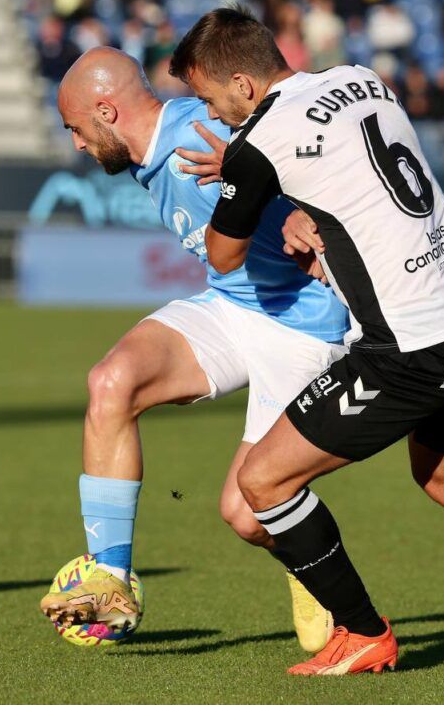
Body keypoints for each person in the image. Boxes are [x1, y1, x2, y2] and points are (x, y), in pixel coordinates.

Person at [169, 6, 444, 676]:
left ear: (242, 83)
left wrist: (240, 176)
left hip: (411, 352)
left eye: (210, 98)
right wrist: (281, 190)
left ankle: (362, 631)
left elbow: (223, 254)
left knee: (261, 484)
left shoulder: (259, 142)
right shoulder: (362, 76)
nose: (215, 113)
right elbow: (346, 171)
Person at [37, 48, 350, 653]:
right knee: (111, 382)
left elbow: (296, 146)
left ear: (105, 110)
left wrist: (294, 209)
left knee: (246, 513)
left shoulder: (196, 132)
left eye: (75, 128)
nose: (76, 144)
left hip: (304, 323)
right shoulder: (147, 149)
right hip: (233, 305)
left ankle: (305, 560)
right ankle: (109, 576)